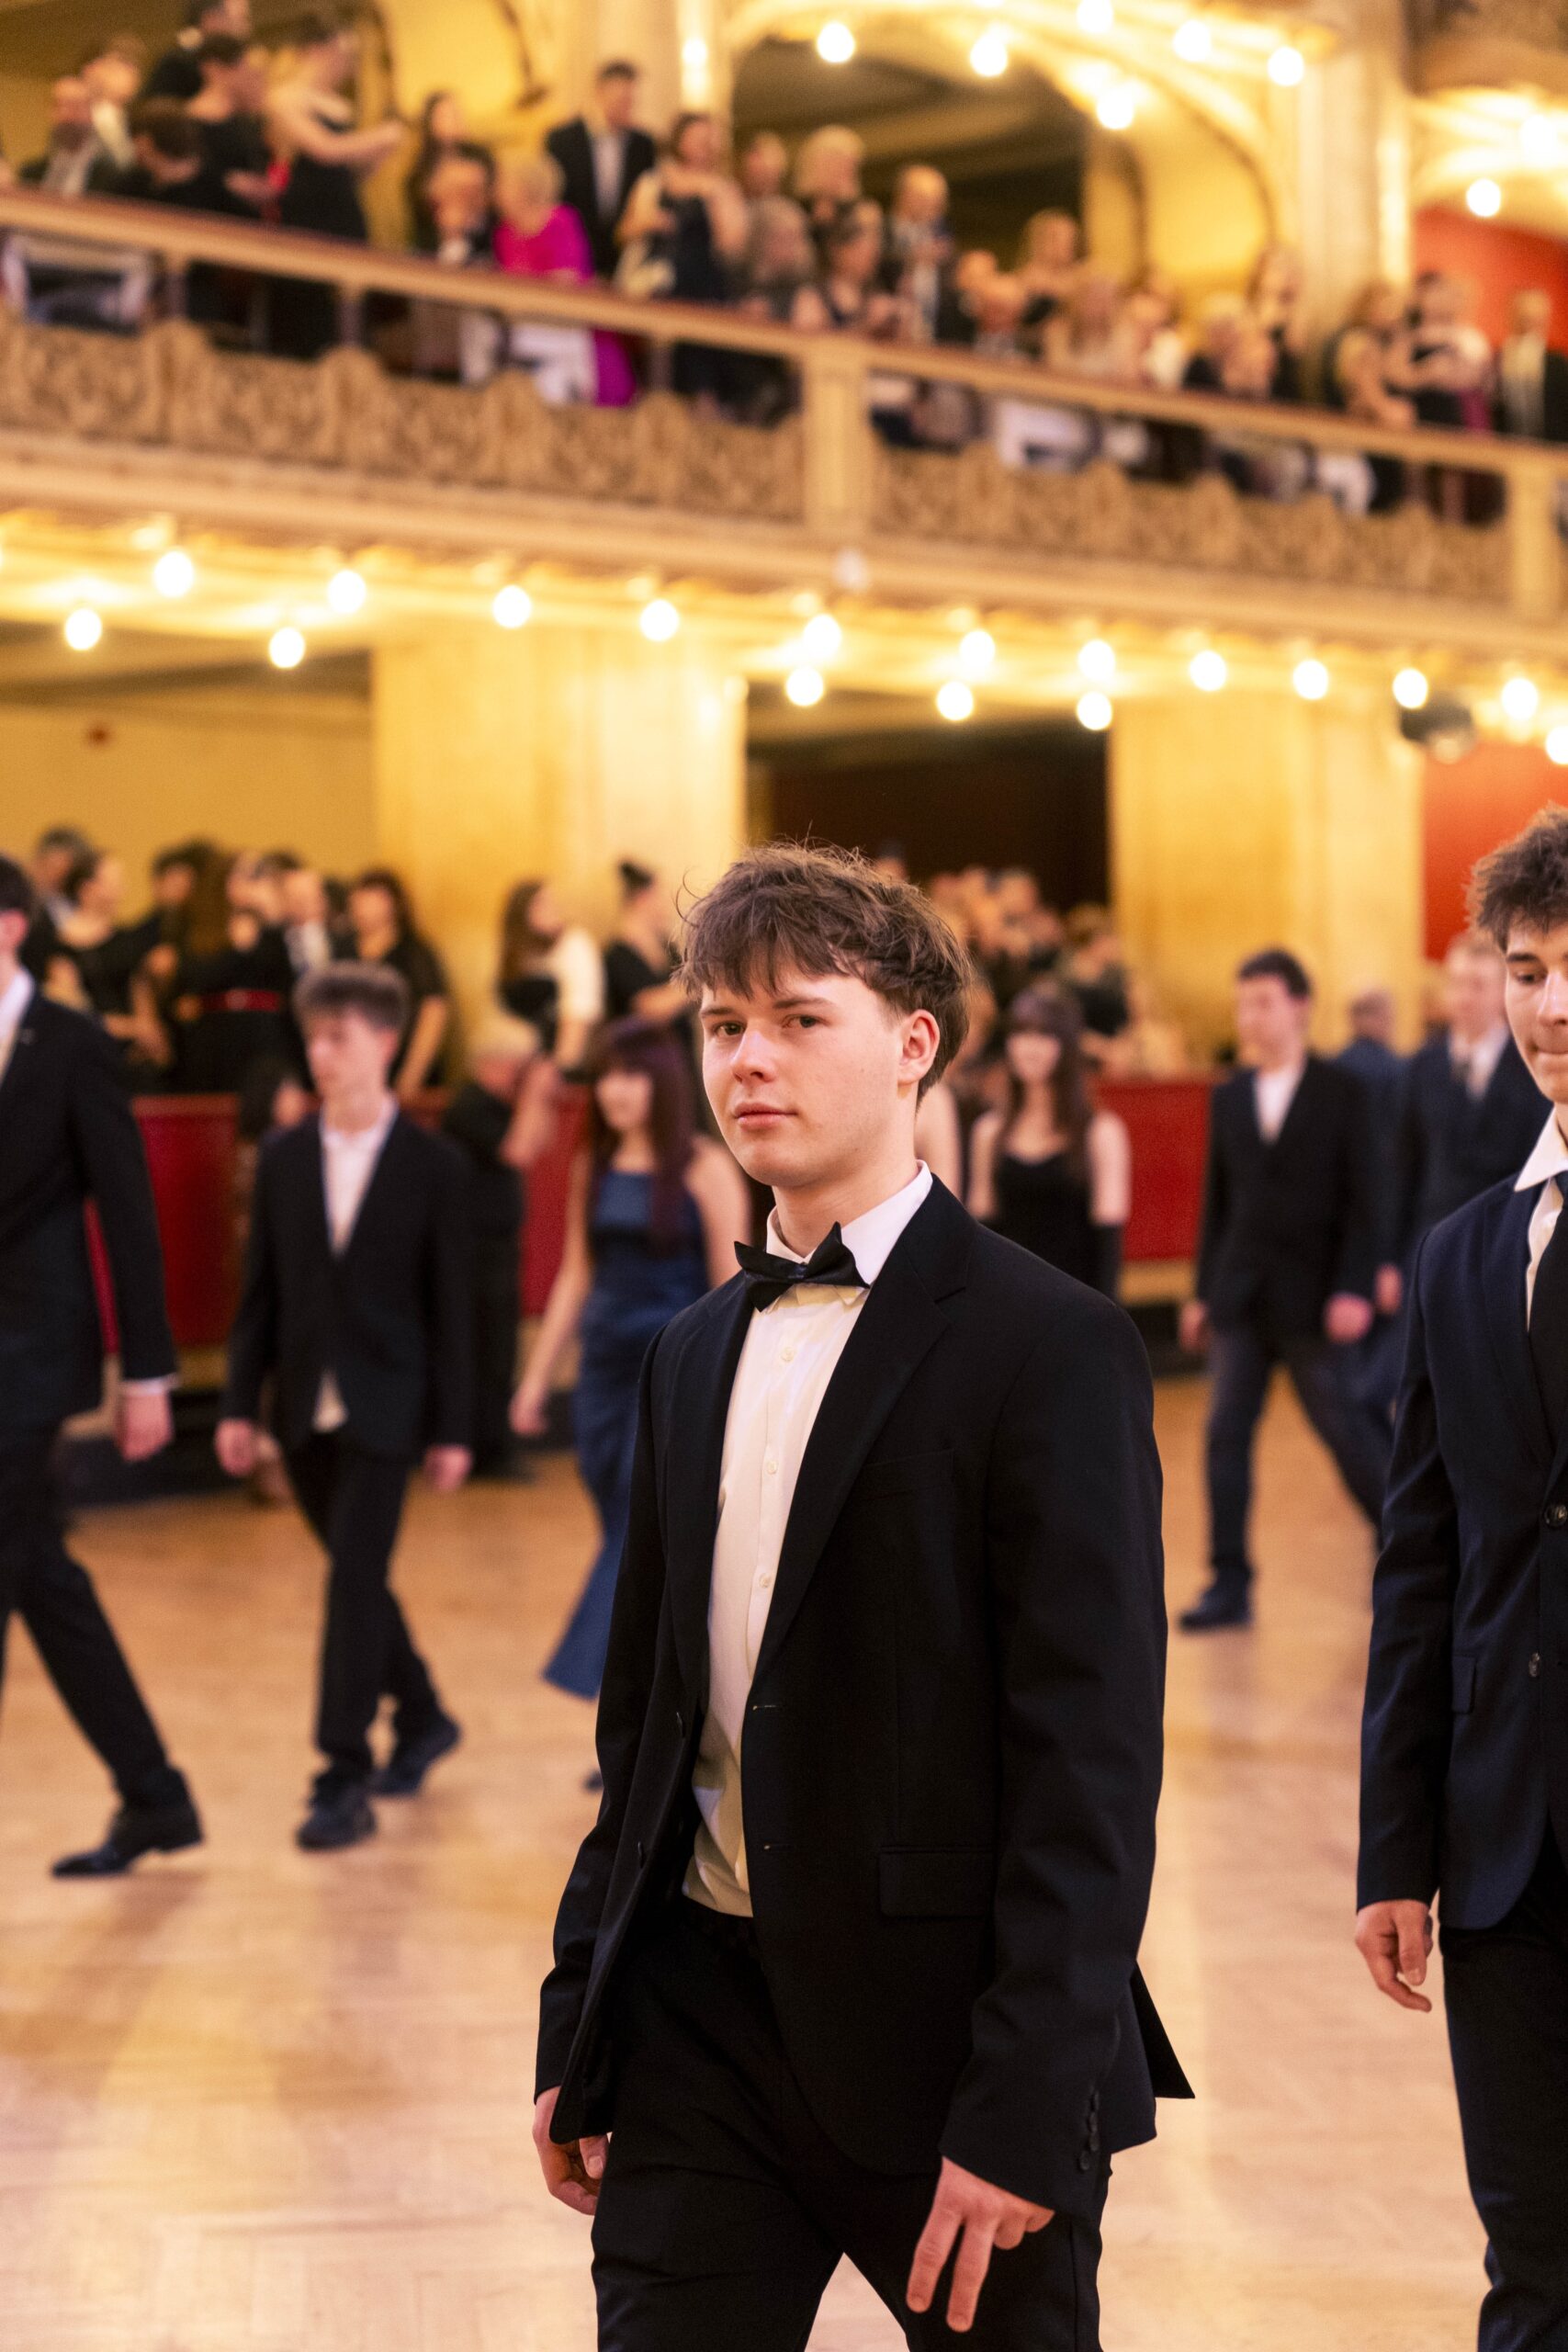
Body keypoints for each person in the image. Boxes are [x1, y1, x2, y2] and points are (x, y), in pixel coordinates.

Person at [532, 842, 1187, 2350]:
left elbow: (1087, 1763)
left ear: (911, 1046)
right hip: (694, 2031)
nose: (746, 1060)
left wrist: (1026, 2098)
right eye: (721, 1025)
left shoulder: (1050, 1345)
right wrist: (582, 2018)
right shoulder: (688, 1351)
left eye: (796, 1019)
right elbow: (644, 1733)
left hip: (950, 2043)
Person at [1357, 805, 1568, 2351]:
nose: (1550, 1005)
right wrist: (1392, 1851)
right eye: (1526, 969)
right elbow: (1419, 1568)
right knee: (1531, 2263)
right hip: (1504, 1845)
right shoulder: (1458, 1253)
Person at [216, 963, 471, 1852]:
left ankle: (341, 1773)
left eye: (339, 1037)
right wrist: (238, 1405)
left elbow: (453, 1309)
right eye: (313, 1037)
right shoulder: (286, 1157)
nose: (320, 1054)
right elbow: (258, 1295)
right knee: (359, 1579)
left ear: (385, 1043)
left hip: (389, 1405)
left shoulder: (434, 1165)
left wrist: (454, 1428)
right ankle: (425, 1715)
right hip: (302, 1409)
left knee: (350, 1583)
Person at [0, 854, 203, 1880]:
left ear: (8, 927)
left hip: (33, 1352)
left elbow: (127, 1210)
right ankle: (154, 1795)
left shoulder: (73, 1042)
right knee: (39, 1571)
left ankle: (155, 1794)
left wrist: (150, 1370)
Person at [512, 1018, 747, 1702]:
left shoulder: (704, 1167)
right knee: (626, 1528)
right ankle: (657, 1692)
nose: (615, 1091)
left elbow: (731, 1290)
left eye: (632, 1075)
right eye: (606, 1076)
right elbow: (575, 1276)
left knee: (636, 1523)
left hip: (672, 1376)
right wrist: (535, 1382)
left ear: (663, 1082)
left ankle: (605, 1682)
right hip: (601, 1376)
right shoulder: (594, 1163)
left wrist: (731, 1388)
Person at [1179, 947, 1387, 1632]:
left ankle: (1411, 1554)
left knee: (1347, 1434)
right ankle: (1227, 1581)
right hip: (1241, 1297)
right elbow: (1217, 1203)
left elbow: (1367, 1200)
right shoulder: (1230, 1095)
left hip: (1315, 1298)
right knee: (1223, 1436)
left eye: (1263, 1002)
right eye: (1243, 1004)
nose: (1250, 1017)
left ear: (1301, 1006)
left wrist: (1355, 1286)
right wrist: (1201, 1292)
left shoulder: (1343, 1092)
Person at [442, 1012, 556, 1480]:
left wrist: (536, 1097)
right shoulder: (469, 1105)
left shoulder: (497, 1104)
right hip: (474, 1250)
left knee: (501, 1346)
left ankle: (494, 1444)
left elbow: (539, 1141)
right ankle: (485, 1448)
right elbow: (518, 1151)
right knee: (486, 1348)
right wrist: (534, 1093)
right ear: (498, 1061)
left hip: (498, 1245)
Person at [968, 989, 1131, 1296]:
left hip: (1076, 1303)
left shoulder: (1101, 1133)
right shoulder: (988, 1133)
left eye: (1044, 1035)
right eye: (1020, 1034)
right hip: (1008, 1300)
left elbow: (1107, 1243)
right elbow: (982, 1232)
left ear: (1067, 1046)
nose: (1029, 1047)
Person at [265, 13, 405, 361]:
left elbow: (348, 172)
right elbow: (323, 150)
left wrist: (378, 155)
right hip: (307, 214)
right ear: (318, 49)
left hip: (344, 212)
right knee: (310, 307)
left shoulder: (340, 105)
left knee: (350, 306)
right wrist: (379, 137)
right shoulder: (285, 97)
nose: (347, 65)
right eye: (343, 54)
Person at [617, 112, 748, 405]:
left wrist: (714, 202)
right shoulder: (655, 180)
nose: (704, 144)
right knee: (658, 358)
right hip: (659, 281)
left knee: (700, 360)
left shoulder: (722, 187)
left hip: (702, 285)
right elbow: (626, 231)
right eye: (697, 137)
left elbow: (732, 245)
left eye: (709, 139)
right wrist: (652, 222)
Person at [493, 151, 636, 408]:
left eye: (504, 183)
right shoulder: (504, 233)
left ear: (524, 186)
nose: (497, 191)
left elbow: (567, 280)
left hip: (571, 331)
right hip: (524, 334)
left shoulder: (561, 221)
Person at [342, 867, 450, 1098]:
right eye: (358, 900)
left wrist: (411, 1075)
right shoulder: (343, 949)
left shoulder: (414, 953)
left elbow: (434, 1011)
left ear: (393, 904)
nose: (361, 908)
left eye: (371, 899)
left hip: (401, 1068)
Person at [546, 60, 657, 282]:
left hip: (622, 256)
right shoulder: (561, 140)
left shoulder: (643, 145)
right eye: (621, 100)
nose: (626, 106)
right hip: (573, 253)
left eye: (630, 101)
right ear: (599, 92)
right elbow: (553, 199)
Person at [496, 878, 604, 1075]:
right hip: (516, 1060)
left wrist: (558, 1071)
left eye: (552, 902)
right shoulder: (517, 956)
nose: (552, 909)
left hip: (556, 1059)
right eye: (541, 904)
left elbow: (577, 1017)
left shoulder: (574, 946)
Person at [1495, 286, 1568, 446]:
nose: (1529, 326)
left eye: (1536, 320)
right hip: (1506, 445)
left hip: (1551, 447)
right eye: (1524, 319)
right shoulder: (1497, 360)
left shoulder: (1557, 363)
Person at [142, 0, 252, 103]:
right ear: (211, 19)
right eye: (240, 20)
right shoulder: (177, 63)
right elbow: (157, 112)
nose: (246, 29)